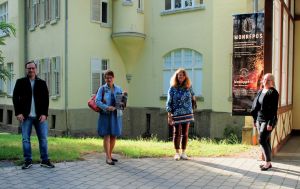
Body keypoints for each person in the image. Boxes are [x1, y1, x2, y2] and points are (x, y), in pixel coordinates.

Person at [12, 61, 54, 169]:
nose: (31, 70)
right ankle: (28, 160)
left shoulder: (42, 83)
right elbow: (15, 97)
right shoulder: (20, 82)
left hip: (40, 117)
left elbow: (46, 100)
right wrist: (18, 113)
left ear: (36, 69)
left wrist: (45, 114)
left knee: (43, 139)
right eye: (29, 68)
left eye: (32, 68)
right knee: (25, 139)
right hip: (26, 116)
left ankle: (45, 160)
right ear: (26, 70)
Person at [96, 70, 126, 165]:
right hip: (106, 115)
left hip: (116, 115)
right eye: (107, 77)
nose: (109, 79)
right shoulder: (102, 89)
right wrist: (106, 107)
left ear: (113, 78)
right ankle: (108, 157)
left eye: (110, 77)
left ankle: (110, 154)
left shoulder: (118, 88)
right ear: (104, 79)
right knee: (107, 135)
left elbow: (122, 103)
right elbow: (97, 101)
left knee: (114, 135)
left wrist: (124, 97)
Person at [251, 73, 279, 171]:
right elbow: (256, 106)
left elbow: (274, 110)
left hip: (267, 120)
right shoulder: (261, 91)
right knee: (265, 140)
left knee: (261, 140)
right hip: (259, 119)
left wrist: (270, 123)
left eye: (268, 80)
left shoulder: (274, 93)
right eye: (264, 79)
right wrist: (255, 120)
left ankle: (267, 162)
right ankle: (268, 162)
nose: (265, 81)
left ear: (272, 82)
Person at [166, 68, 196, 160]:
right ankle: (177, 153)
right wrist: (169, 115)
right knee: (176, 133)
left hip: (187, 113)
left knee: (185, 133)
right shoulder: (172, 88)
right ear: (176, 76)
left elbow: (193, 95)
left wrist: (194, 101)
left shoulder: (189, 86)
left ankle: (183, 152)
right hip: (176, 114)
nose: (180, 77)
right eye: (179, 75)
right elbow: (169, 102)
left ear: (185, 76)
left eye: (182, 75)